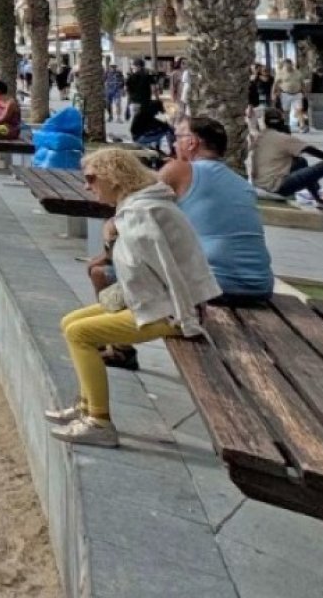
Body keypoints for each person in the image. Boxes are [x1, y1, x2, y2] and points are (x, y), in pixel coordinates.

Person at [47, 149, 219, 447]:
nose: (87, 186)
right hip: (162, 303)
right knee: (69, 322)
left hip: (173, 311)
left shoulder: (143, 214)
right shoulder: (138, 207)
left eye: (91, 178)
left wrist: (184, 318)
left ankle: (98, 421)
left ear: (113, 178)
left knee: (80, 334)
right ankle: (86, 404)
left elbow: (169, 272)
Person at [159, 115, 274, 303]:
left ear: (192, 142)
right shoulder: (241, 183)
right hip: (260, 286)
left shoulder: (179, 170)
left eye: (177, 137)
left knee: (106, 273)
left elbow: (137, 204)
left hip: (215, 284)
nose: (173, 144)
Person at [245, 108, 323, 226]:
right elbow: (322, 156)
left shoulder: (262, 135)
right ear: (282, 121)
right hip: (277, 186)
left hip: (260, 184)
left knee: (300, 162)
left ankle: (320, 203)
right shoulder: (285, 139)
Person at [274, 58, 306, 132]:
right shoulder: (280, 73)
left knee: (299, 110)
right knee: (286, 111)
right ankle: (286, 125)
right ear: (284, 65)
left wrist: (304, 92)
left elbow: (302, 83)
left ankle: (302, 126)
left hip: (297, 93)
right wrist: (273, 93)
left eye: (290, 65)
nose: (288, 67)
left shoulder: (298, 72)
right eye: (286, 65)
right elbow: (275, 84)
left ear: (292, 64)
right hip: (285, 94)